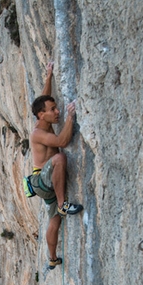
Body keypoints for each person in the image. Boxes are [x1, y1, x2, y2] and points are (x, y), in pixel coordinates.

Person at [29, 62, 83, 269]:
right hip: (42, 179)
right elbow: (62, 142)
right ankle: (63, 204)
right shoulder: (38, 133)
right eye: (53, 110)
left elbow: (42, 101)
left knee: (55, 221)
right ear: (42, 115)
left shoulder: (43, 119)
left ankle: (52, 258)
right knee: (60, 158)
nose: (57, 111)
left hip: (45, 182)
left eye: (57, 108)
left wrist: (48, 76)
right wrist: (70, 116)